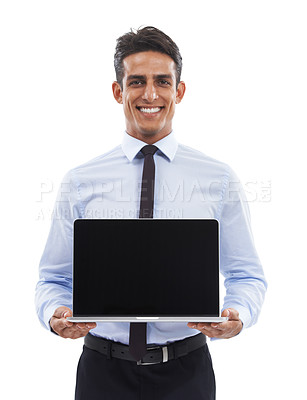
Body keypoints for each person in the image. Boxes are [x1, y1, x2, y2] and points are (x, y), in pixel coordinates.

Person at [35, 26, 267, 400]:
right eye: (137, 81)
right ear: (118, 91)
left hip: (187, 372)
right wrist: (55, 313)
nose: (150, 94)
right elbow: (52, 278)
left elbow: (246, 273)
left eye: (162, 81)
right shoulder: (81, 180)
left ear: (179, 91)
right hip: (102, 372)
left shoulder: (218, 178)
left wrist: (237, 314)